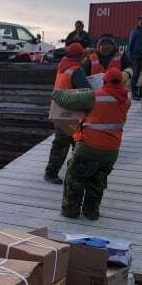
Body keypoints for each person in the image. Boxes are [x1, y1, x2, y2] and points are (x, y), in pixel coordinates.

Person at [53, 67, 130, 220]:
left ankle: (71, 211)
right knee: (97, 182)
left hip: (89, 147)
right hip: (111, 150)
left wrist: (56, 92)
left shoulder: (95, 96)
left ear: (104, 80)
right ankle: (91, 212)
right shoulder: (126, 100)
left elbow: (67, 100)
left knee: (74, 178)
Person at [44, 43, 91, 184]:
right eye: (82, 55)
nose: (84, 57)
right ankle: (51, 174)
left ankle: (72, 170)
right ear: (77, 56)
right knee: (66, 143)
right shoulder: (76, 70)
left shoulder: (63, 66)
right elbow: (86, 89)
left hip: (59, 110)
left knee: (73, 141)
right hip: (70, 114)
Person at [127, 14, 142, 100]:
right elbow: (130, 46)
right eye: (140, 20)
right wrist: (131, 57)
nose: (141, 21)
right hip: (137, 57)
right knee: (136, 75)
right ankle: (133, 93)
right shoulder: (135, 32)